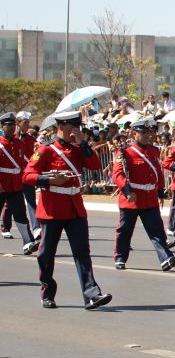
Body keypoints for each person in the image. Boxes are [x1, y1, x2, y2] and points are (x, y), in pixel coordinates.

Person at [22, 111, 112, 310]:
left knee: (82, 253)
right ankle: (47, 292)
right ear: (61, 126)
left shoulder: (78, 148)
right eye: (73, 126)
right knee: (46, 254)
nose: (77, 130)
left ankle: (91, 295)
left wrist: (83, 143)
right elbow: (28, 175)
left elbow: (95, 165)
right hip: (52, 209)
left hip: (75, 208)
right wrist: (49, 180)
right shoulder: (45, 149)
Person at [112, 119, 175, 271]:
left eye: (148, 132)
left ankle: (166, 258)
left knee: (156, 230)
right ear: (133, 133)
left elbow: (157, 171)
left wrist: (160, 191)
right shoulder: (125, 151)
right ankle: (120, 258)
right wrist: (127, 191)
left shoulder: (153, 150)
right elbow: (117, 174)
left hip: (149, 198)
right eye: (142, 132)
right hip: (132, 198)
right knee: (125, 230)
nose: (146, 135)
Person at [0, 113, 38, 255]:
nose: (11, 128)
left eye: (12, 125)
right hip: (1, 185)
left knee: (21, 214)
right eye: (8, 125)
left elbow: (22, 165)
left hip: (15, 185)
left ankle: (27, 242)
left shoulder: (19, 144)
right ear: (2, 127)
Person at [15, 111, 41, 238]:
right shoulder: (11, 139)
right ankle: (6, 227)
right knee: (11, 205)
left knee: (31, 202)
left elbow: (32, 157)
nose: (27, 125)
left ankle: (36, 229)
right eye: (25, 123)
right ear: (17, 124)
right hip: (14, 177)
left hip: (26, 175)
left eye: (28, 122)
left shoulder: (31, 140)